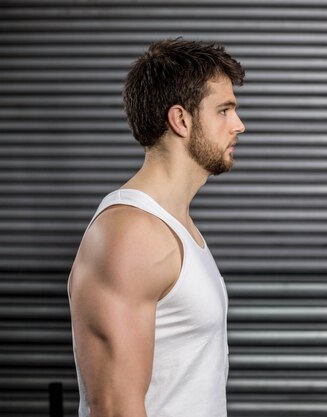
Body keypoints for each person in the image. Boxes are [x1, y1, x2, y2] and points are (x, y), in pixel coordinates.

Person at [67, 38, 246, 417]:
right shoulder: (131, 234)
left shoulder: (173, 225)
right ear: (181, 119)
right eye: (225, 110)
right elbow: (115, 409)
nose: (239, 125)